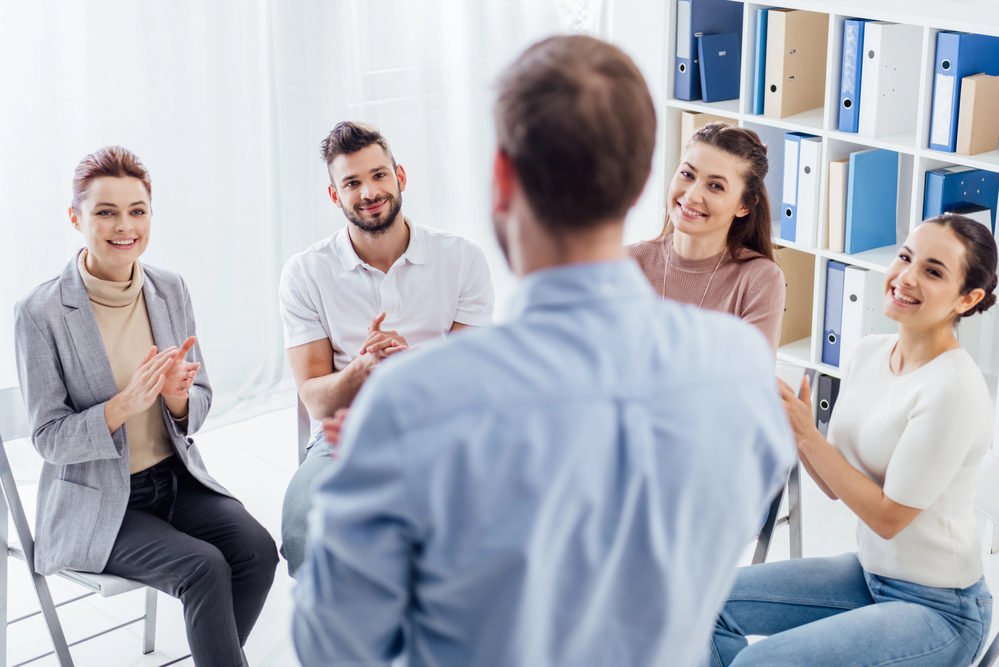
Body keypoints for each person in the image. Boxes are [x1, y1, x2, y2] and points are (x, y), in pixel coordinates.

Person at [293, 35, 795, 667]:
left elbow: (333, 644)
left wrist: (366, 490)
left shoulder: (412, 402)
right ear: (645, 181)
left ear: (503, 178)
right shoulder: (737, 367)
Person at [14, 146, 278, 666]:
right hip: (97, 505)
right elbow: (47, 438)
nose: (124, 226)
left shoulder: (169, 289)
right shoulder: (40, 312)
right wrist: (121, 406)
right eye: (105, 212)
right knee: (204, 568)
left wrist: (178, 398)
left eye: (137, 210)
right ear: (76, 217)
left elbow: (198, 403)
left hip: (174, 482)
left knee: (256, 551)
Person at [711, 214, 998, 666]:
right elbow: (832, 483)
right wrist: (797, 432)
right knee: (704, 604)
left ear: (969, 298)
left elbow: (888, 518)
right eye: (905, 257)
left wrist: (809, 435)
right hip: (870, 576)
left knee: (757, 664)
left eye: (933, 271)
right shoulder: (870, 351)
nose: (906, 277)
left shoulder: (954, 389)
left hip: (940, 610)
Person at [278, 121, 494, 576]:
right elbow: (315, 398)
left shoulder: (462, 259)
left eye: (378, 175)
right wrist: (361, 368)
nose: (369, 192)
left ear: (400, 176)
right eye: (352, 183)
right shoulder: (305, 273)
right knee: (301, 532)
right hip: (349, 434)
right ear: (336, 196)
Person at [628, 122, 785, 352]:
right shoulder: (628, 261)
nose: (692, 196)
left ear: (744, 205)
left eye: (715, 186)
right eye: (687, 174)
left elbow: (747, 381)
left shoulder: (759, 279)